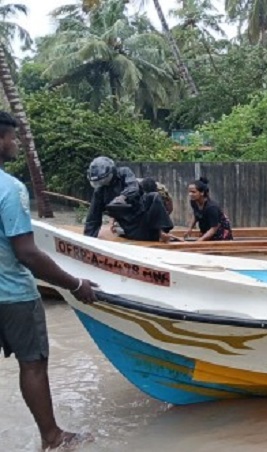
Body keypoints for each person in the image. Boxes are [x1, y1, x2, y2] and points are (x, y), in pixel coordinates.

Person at [0, 111, 98, 449]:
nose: (16, 143)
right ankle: (53, 438)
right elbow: (27, 253)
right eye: (12, 137)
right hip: (13, 295)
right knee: (33, 365)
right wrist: (75, 285)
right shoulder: (10, 189)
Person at [84, 157, 173, 242]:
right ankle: (157, 234)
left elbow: (133, 187)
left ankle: (161, 231)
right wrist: (88, 240)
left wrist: (123, 197)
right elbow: (93, 218)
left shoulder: (124, 172)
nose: (102, 183)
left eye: (103, 180)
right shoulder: (99, 191)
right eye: (99, 182)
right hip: (130, 227)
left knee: (154, 196)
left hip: (143, 214)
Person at [184, 177, 233, 242]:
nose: (190, 194)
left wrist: (200, 240)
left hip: (220, 234)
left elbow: (214, 228)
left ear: (202, 193)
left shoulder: (211, 207)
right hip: (207, 231)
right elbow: (196, 214)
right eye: (189, 192)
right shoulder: (194, 202)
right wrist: (190, 228)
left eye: (193, 192)